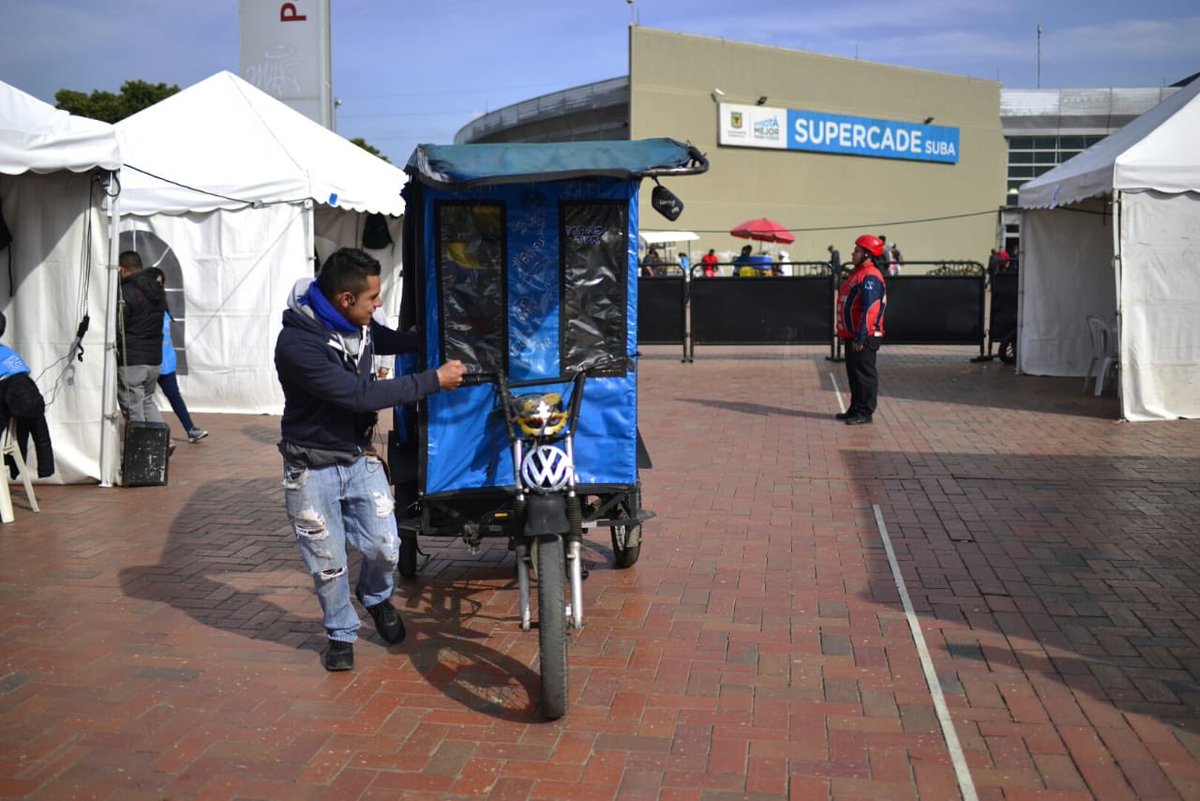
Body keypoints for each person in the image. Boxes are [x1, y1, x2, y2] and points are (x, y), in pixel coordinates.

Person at [274, 247, 465, 672]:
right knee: (328, 565)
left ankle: (376, 597)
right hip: (310, 467)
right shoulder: (297, 345)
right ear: (345, 299)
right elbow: (358, 394)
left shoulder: (355, 324)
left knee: (386, 547)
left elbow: (392, 339)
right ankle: (341, 633)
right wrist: (433, 380)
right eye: (373, 298)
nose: (378, 305)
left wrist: (448, 330)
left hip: (358, 458)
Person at [145, 268, 207, 444]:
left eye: (161, 283)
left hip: (166, 362)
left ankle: (190, 429)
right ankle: (154, 435)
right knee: (143, 400)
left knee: (174, 395)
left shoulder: (162, 305)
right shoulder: (144, 304)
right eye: (157, 283)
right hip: (148, 361)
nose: (160, 287)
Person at [835, 234, 887, 425]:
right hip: (853, 335)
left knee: (864, 374)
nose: (853, 253)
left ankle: (865, 411)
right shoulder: (856, 273)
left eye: (857, 250)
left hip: (865, 336)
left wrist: (860, 336)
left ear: (868, 254)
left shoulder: (870, 276)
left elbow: (869, 309)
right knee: (854, 373)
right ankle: (855, 407)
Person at [117, 251, 168, 425]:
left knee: (133, 408)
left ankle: (140, 448)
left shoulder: (125, 291)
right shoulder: (157, 289)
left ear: (122, 269)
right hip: (154, 357)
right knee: (147, 401)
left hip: (133, 359)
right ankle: (162, 442)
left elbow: (119, 326)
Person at [0, 312, 54, 478]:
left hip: (10, 404)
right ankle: (45, 468)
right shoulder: (9, 353)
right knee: (40, 435)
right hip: (30, 400)